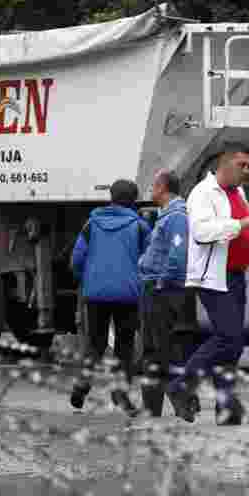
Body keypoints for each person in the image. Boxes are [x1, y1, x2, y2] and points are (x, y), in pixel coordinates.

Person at [168, 142, 249, 426]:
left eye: (248, 165)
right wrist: (241, 224)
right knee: (227, 337)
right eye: (241, 165)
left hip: (235, 274)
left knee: (234, 344)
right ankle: (181, 385)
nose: (246, 170)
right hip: (213, 278)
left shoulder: (238, 192)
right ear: (223, 165)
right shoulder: (203, 193)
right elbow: (201, 231)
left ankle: (227, 407)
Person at [70, 178, 151, 415]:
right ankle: (121, 394)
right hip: (127, 295)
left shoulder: (91, 224)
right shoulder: (139, 227)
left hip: (95, 294)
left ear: (111, 198)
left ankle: (82, 384)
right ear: (133, 201)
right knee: (124, 347)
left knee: (95, 343)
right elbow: (149, 260)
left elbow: (77, 258)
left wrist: (86, 280)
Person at [137, 168, 191, 417]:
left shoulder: (176, 216)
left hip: (162, 290)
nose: (151, 190)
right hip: (155, 287)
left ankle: (183, 402)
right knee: (152, 349)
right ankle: (151, 407)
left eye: (154, 185)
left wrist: (161, 281)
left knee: (162, 349)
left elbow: (178, 256)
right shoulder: (166, 215)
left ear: (162, 188)